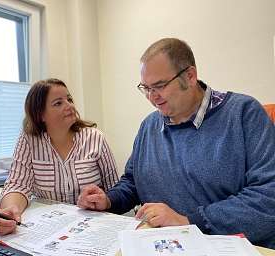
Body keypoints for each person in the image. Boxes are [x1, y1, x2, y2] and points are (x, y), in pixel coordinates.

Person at [77, 38, 275, 248]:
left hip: (232, 247)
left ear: (190, 76)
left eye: (160, 86)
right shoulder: (149, 126)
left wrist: (188, 221)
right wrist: (109, 200)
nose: (152, 98)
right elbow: (133, 181)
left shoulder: (244, 114)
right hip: (164, 246)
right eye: (146, 88)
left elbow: (268, 198)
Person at [0, 78, 119, 235]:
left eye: (69, 99)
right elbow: (17, 185)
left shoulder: (95, 138)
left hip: (93, 228)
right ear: (41, 115)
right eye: (58, 103)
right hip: (49, 230)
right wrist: (10, 210)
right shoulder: (29, 140)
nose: (69, 106)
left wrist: (103, 201)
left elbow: (115, 189)